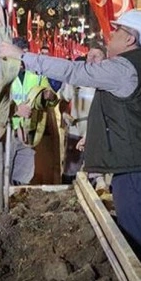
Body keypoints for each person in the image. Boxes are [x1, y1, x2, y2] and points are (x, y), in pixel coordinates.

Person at [0, 10, 141, 279]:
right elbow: (130, 115)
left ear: (130, 39)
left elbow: (73, 70)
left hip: (140, 172)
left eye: (116, 31)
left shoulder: (123, 67)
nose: (110, 36)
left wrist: (21, 56)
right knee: (139, 243)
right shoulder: (137, 66)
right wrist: (95, 137)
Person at [9, 37, 57, 185]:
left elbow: (52, 99)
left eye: (25, 55)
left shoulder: (37, 74)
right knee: (4, 172)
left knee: (23, 176)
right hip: (8, 131)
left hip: (29, 132)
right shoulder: (0, 73)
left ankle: (17, 199)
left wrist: (49, 96)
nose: (23, 60)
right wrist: (16, 111)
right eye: (19, 55)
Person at [59, 46, 107, 191]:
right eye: (90, 55)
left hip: (96, 131)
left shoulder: (107, 81)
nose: (92, 58)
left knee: (95, 169)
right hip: (76, 130)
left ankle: (96, 198)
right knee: (71, 168)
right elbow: (63, 98)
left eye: (96, 56)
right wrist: (64, 114)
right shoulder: (76, 78)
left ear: (104, 59)